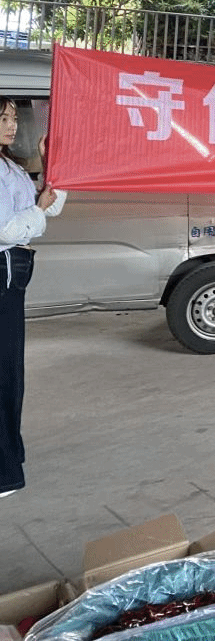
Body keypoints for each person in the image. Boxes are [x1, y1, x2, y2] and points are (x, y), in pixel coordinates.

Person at [1, 98, 64, 499]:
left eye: (13, 118)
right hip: (3, 271)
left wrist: (52, 164)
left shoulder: (11, 166)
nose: (12, 125)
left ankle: (10, 456)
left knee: (11, 373)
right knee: (3, 373)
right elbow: (6, 229)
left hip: (12, 276)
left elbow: (48, 209)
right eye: (3, 118)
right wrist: (39, 208)